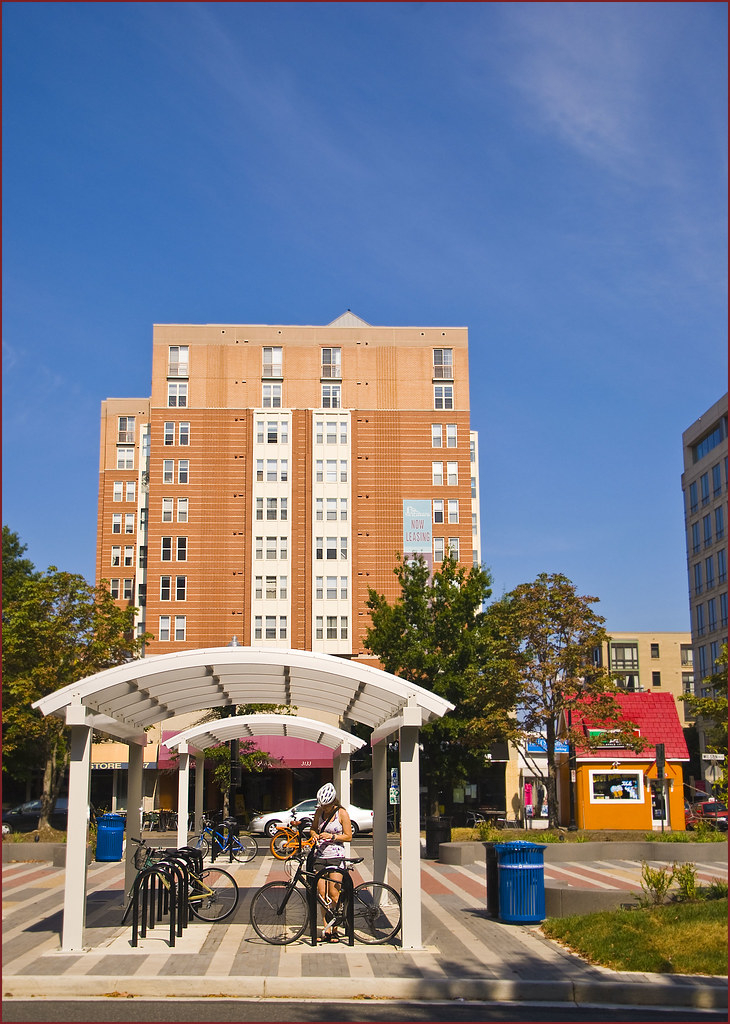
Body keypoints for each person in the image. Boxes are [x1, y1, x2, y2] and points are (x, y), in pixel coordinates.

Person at [310, 782, 353, 942]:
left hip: (336, 855)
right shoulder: (319, 812)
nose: (325, 808)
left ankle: (335, 929)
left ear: (333, 802)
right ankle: (326, 929)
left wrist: (332, 836)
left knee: (334, 894)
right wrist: (314, 835)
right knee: (322, 894)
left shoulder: (342, 813)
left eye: (327, 805)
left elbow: (348, 836)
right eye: (323, 805)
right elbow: (313, 828)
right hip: (320, 855)